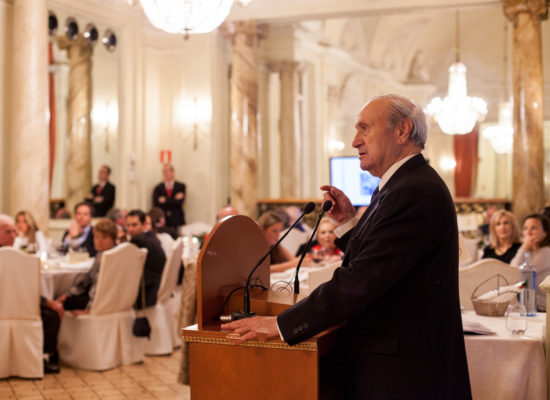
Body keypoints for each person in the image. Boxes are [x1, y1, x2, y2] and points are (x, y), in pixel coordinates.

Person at [222, 94, 472, 399]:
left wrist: (281, 324)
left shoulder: (413, 191)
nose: (355, 141)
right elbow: (382, 263)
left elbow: (362, 280)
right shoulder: (399, 185)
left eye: (365, 128)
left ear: (402, 130)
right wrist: (350, 224)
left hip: (404, 371)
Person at [0, 215, 62, 374]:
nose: (13, 236)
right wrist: (48, 302)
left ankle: (40, 358)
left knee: (51, 314)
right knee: (52, 314)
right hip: (13, 306)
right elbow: (23, 290)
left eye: (14, 232)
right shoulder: (16, 257)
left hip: (14, 305)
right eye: (8, 232)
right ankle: (40, 359)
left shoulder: (19, 255)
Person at [56, 219, 118, 314]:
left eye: (104, 238)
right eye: (97, 237)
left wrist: (89, 309)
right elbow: (86, 280)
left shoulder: (110, 258)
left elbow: (99, 287)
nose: (99, 241)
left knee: (61, 305)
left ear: (113, 240)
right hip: (99, 299)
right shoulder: (101, 255)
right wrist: (67, 294)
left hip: (101, 303)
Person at [126, 210, 166, 308]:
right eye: (128, 225)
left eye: (134, 225)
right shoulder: (152, 237)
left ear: (144, 224)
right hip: (158, 285)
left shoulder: (138, 240)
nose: (130, 229)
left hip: (147, 291)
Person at [511, 214, 550, 311]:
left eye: (534, 228)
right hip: (529, 306)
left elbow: (514, 272)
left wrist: (524, 246)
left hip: (542, 309)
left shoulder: (546, 252)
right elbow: (510, 270)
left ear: (545, 233)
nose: (528, 232)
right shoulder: (530, 251)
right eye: (525, 228)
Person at [152, 164, 186, 230]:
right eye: (164, 171)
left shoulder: (181, 186)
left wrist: (165, 200)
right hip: (164, 220)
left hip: (177, 219)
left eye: (168, 171)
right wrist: (174, 199)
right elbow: (156, 204)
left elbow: (179, 203)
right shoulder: (158, 188)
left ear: (172, 172)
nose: (166, 173)